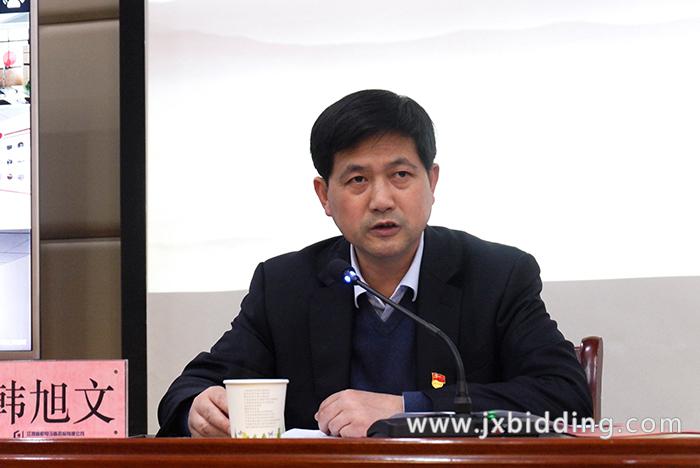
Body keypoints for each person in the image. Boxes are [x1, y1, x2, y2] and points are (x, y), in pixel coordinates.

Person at [157, 89, 592, 438]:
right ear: (325, 196)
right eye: (358, 179)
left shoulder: (496, 276)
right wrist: (198, 409)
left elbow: (565, 397)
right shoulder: (285, 285)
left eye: (401, 175)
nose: (382, 200)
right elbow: (190, 388)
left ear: (432, 182)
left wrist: (408, 409)